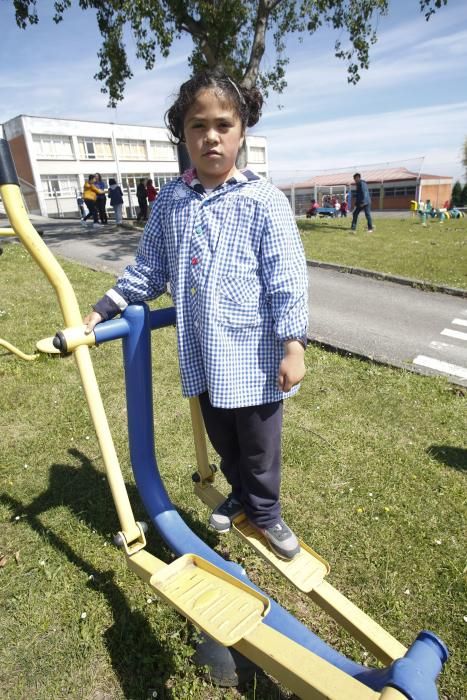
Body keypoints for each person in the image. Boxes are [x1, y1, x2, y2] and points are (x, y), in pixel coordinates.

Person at [83, 70, 308, 560]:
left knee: (258, 444)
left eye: (223, 125)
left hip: (255, 354)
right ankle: (239, 493)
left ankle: (266, 510)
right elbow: (150, 267)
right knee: (225, 440)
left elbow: (286, 276)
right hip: (204, 355)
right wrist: (107, 306)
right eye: (197, 125)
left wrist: (293, 344)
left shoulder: (263, 200)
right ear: (182, 134)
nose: (210, 136)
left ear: (241, 131)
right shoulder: (171, 200)